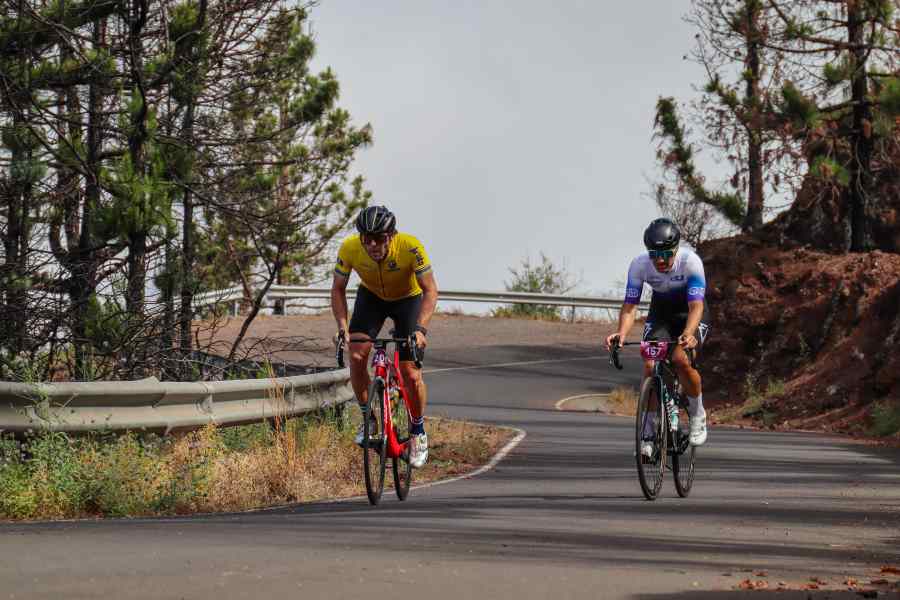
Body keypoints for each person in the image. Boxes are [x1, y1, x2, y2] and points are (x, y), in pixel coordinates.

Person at [331, 206, 438, 468]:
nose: (372, 245)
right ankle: (369, 418)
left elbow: (430, 291)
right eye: (366, 238)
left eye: (379, 238)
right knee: (356, 355)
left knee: (410, 372)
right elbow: (338, 289)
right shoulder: (349, 248)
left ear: (391, 235)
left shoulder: (411, 247)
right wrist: (343, 326)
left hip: (408, 301)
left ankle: (418, 431)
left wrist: (420, 330)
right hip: (372, 299)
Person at [605, 218, 710, 455]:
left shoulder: (691, 262)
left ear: (676, 249)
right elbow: (630, 307)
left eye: (666, 254)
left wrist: (688, 334)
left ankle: (697, 414)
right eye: (654, 254)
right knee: (650, 366)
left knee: (680, 360)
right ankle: (649, 432)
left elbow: (696, 306)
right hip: (661, 313)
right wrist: (621, 334)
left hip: (691, 312)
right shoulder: (639, 265)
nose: (660, 260)